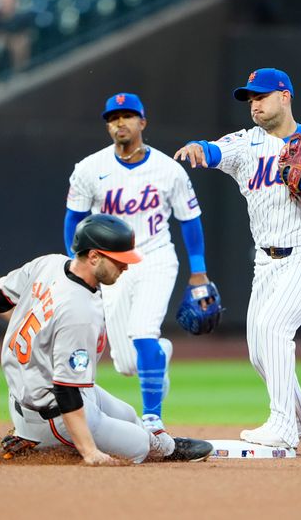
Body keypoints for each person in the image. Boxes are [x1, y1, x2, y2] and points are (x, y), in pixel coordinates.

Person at [173, 68, 301, 452]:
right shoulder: (246, 144)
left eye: (261, 96)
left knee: (274, 328)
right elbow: (214, 151)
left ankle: (283, 426)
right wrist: (198, 147)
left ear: (285, 96)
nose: (254, 104)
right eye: (249, 98)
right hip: (267, 262)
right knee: (259, 350)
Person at [0, 213, 213, 465]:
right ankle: (37, 443)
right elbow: (66, 390)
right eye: (119, 261)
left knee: (127, 413)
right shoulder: (79, 311)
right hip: (50, 413)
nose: (126, 267)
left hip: (31, 395)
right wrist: (89, 452)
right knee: (139, 446)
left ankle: (164, 446)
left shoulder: (49, 264)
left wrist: (40, 333)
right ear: (94, 256)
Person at [63, 92, 214, 434]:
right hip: (112, 266)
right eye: (114, 118)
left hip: (156, 257)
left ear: (142, 122)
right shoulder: (89, 169)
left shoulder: (168, 169)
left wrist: (199, 270)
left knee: (143, 332)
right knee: (126, 364)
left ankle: (153, 418)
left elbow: (190, 220)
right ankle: (159, 353)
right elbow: (73, 219)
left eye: (128, 116)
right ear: (108, 126)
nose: (120, 122)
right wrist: (79, 263)